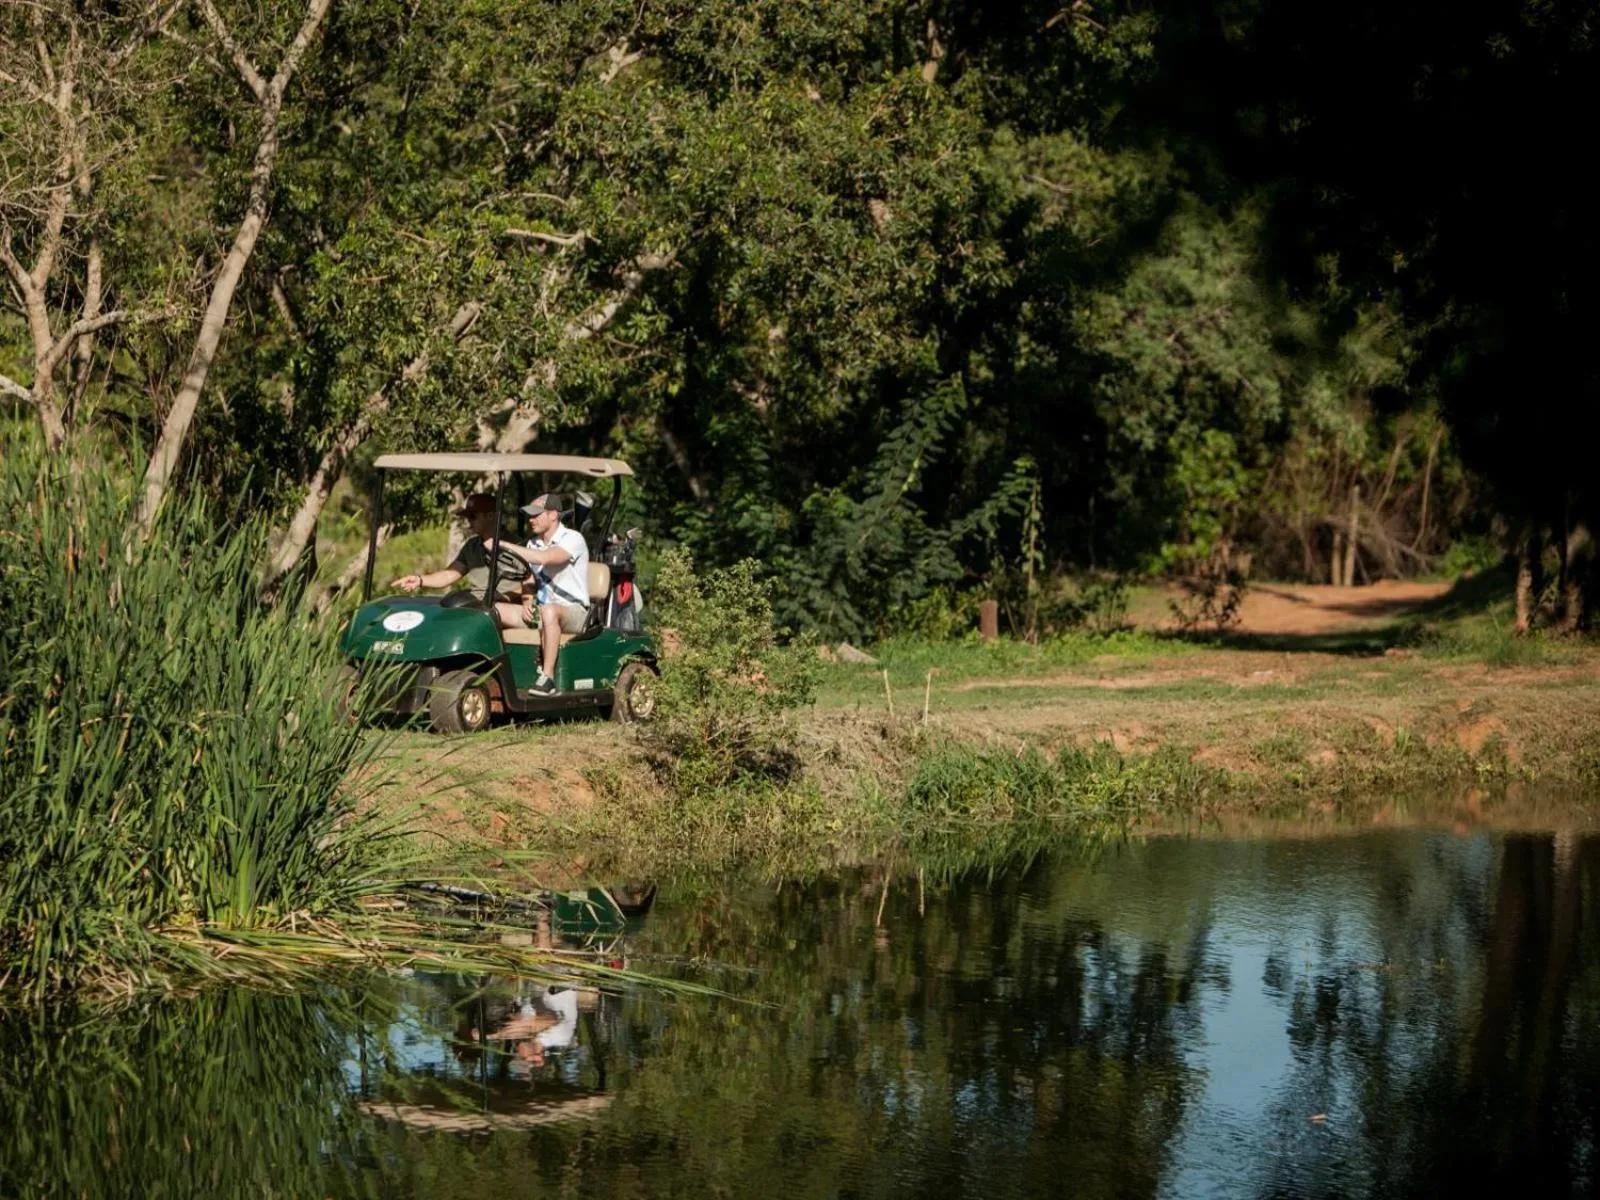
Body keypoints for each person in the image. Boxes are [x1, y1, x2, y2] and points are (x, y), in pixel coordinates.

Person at [492, 493, 590, 694]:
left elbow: (545, 559)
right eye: (529, 515)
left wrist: (502, 544)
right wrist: (527, 600)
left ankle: (547, 678)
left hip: (575, 612)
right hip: (542, 610)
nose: (531, 520)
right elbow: (528, 579)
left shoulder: (573, 539)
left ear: (553, 515)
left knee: (549, 611)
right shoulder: (532, 544)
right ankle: (493, 672)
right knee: (491, 609)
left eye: (536, 515)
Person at [390, 493, 530, 626]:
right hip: (476, 605)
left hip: (504, 607)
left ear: (491, 516)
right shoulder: (472, 545)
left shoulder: (516, 547)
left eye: (473, 517)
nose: (468, 522)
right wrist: (420, 580)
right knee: (444, 612)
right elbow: (450, 574)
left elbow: (530, 586)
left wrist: (503, 597)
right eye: (467, 517)